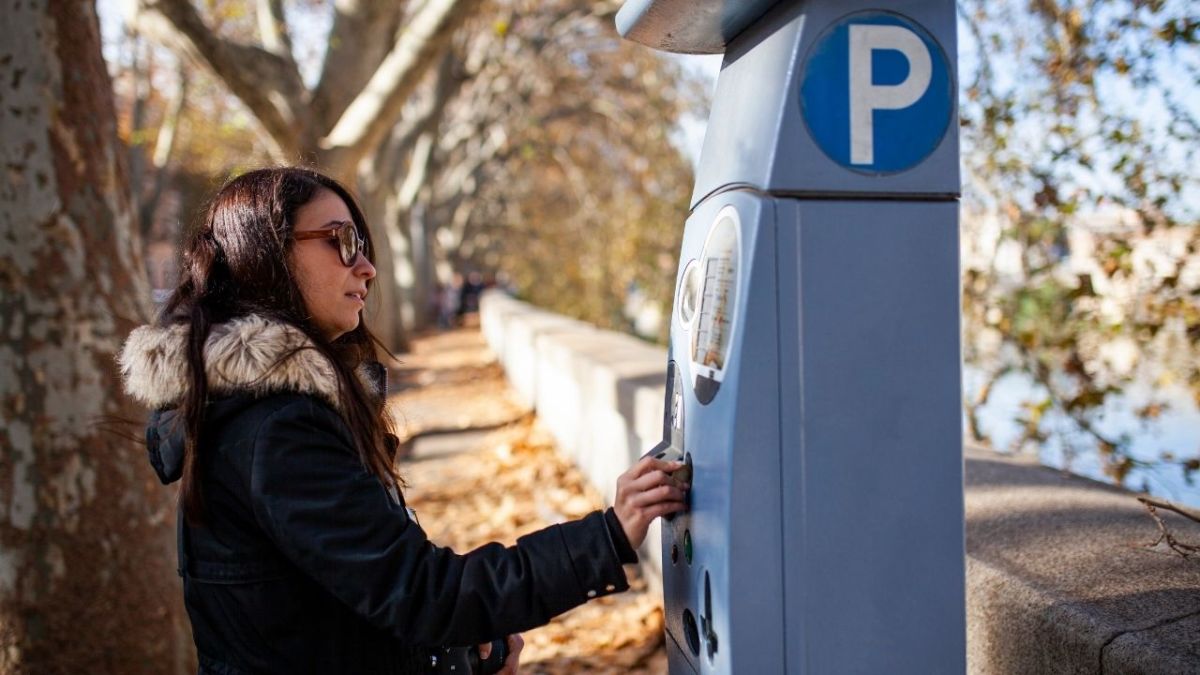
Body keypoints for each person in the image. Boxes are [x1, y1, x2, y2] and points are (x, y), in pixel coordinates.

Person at [118, 167, 688, 674]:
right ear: (265, 257)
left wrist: (457, 651)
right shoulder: (275, 430)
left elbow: (347, 602)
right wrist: (610, 533)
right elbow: (424, 593)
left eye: (363, 243)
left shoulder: (251, 412)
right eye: (340, 241)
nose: (366, 266)